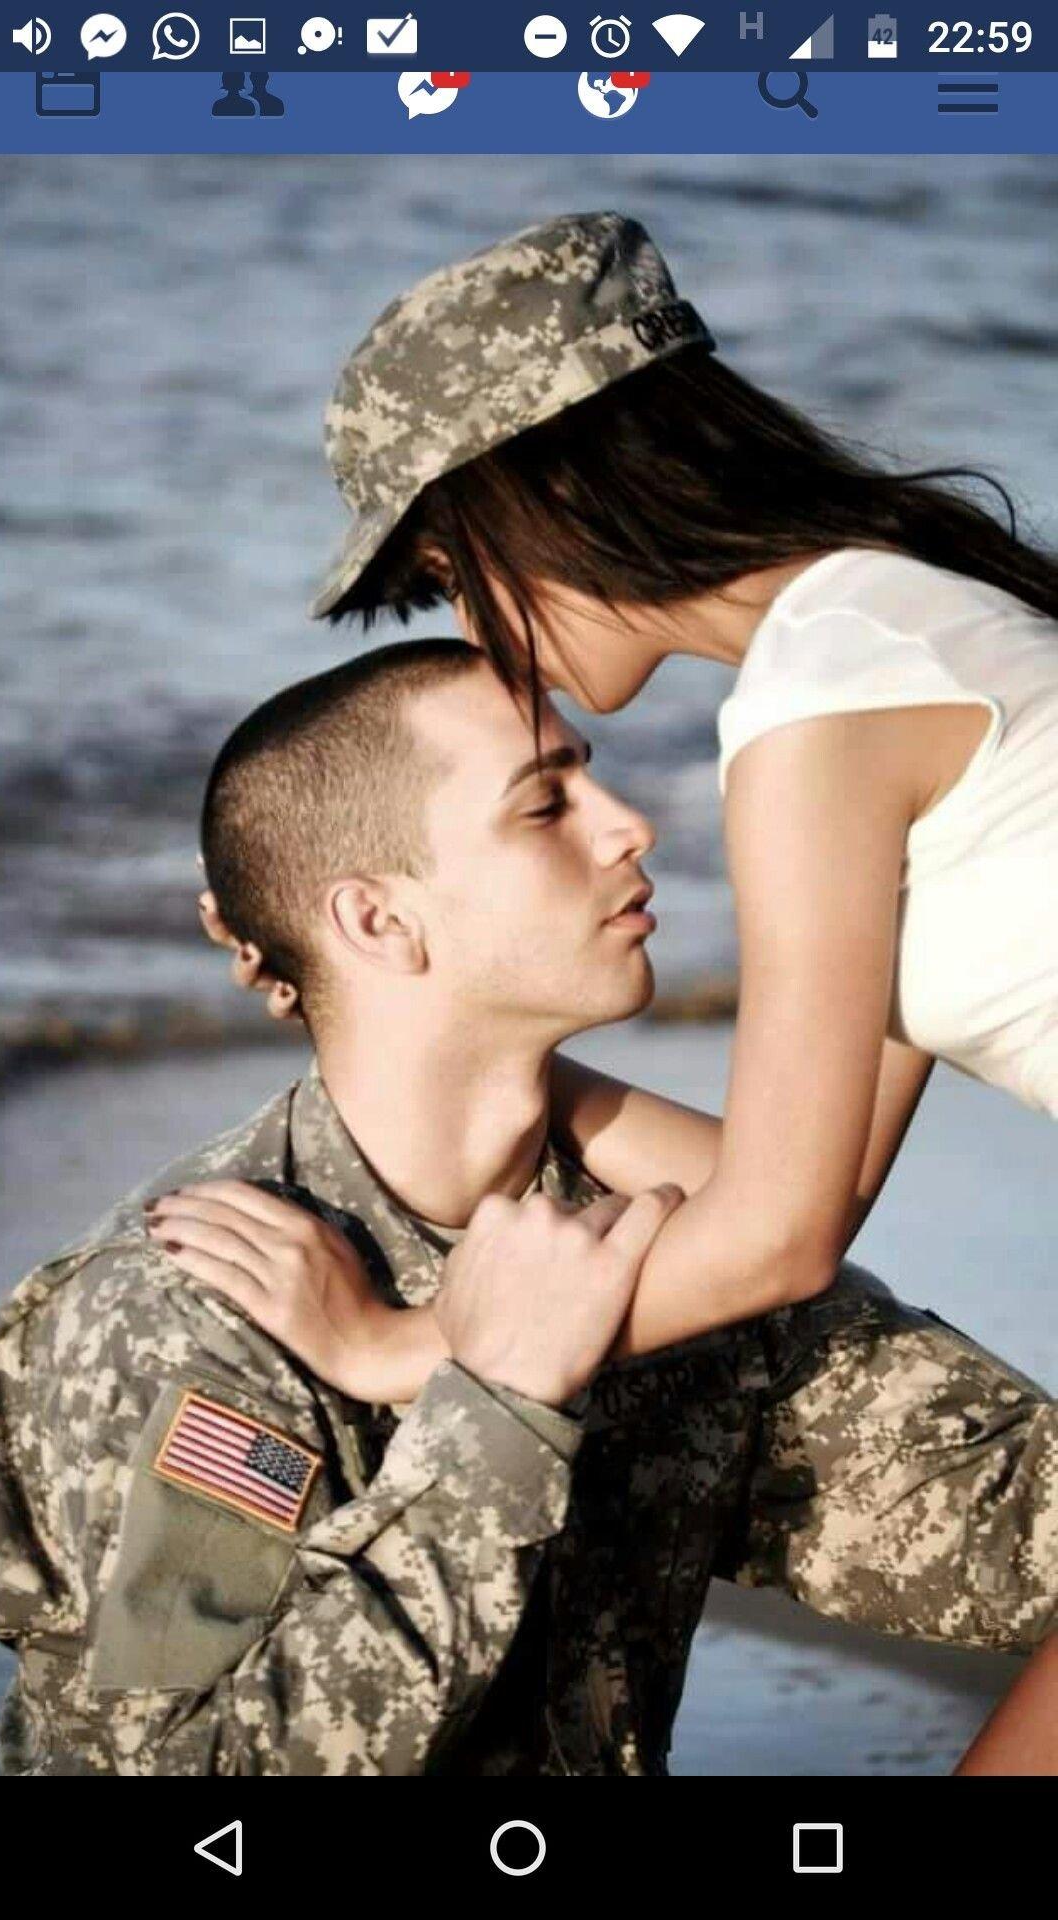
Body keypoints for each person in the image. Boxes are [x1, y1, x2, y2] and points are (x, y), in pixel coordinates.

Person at [210, 211, 1058, 1770]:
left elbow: (784, 1238)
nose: (481, 638)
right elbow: (790, 1187)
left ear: (541, 499)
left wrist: (402, 1347)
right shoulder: (899, 622)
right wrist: (485, 1059)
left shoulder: (825, 709)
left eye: (453, 571)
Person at [136, 643, 1054, 1774]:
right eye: (545, 805)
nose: (632, 827)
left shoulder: (681, 1266)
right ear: (375, 921)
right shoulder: (193, 1307)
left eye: (592, 776)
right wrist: (492, 1414)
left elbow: (798, 1219)